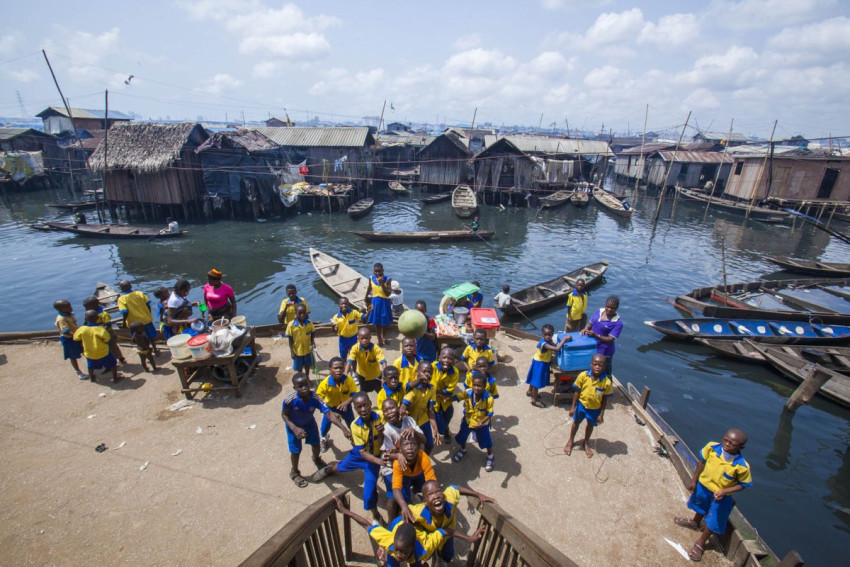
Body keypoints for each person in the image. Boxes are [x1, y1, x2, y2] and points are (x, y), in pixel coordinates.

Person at [674, 429, 753, 562]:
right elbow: (701, 462)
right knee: (700, 505)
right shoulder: (711, 447)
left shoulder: (742, 466)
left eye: (732, 444)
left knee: (714, 518)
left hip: (721, 496)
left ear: (741, 447)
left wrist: (725, 491)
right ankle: (695, 522)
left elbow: (743, 485)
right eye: (725, 440)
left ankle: (701, 542)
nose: (727, 444)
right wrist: (694, 480)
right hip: (704, 487)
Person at [312, 392, 385, 523]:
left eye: (366, 405)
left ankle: (375, 514)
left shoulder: (381, 416)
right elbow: (362, 453)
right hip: (360, 455)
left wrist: (382, 432)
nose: (363, 409)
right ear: (355, 409)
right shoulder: (355, 425)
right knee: (341, 467)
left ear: (370, 404)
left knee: (368, 492)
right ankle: (329, 470)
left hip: (373, 459)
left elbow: (385, 439)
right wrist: (381, 462)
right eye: (359, 407)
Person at [333, 495, 451, 567]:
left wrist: (468, 537)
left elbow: (444, 531)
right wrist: (345, 511)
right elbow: (366, 524)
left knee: (416, 562)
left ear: (413, 547)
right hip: (397, 524)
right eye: (397, 550)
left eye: (403, 552)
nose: (398, 555)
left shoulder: (425, 547)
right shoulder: (389, 542)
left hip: (415, 536)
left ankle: (415, 500)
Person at [281, 373, 349, 488]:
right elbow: (284, 415)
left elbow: (328, 414)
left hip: (309, 424)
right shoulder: (290, 400)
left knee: (316, 445)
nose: (304, 388)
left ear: (309, 383)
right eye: (300, 386)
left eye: (306, 384)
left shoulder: (315, 398)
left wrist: (344, 429)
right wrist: (294, 428)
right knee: (296, 451)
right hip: (294, 427)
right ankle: (295, 472)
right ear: (295, 388)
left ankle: (316, 458)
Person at [409, 481, 491, 564]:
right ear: (425, 501)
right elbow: (405, 512)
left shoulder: (449, 500)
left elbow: (455, 488)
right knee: (428, 551)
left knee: (448, 557)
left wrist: (477, 494)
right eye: (430, 494)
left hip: (448, 535)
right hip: (430, 536)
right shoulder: (419, 512)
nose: (436, 496)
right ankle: (434, 554)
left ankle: (439, 555)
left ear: (443, 495)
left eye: (438, 491)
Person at [380, 398, 425, 521]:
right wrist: (399, 455)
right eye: (386, 410)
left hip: (408, 461)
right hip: (390, 464)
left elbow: (424, 440)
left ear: (398, 407)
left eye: (392, 408)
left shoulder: (409, 421)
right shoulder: (387, 430)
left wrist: (414, 432)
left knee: (421, 483)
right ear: (383, 414)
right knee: (393, 497)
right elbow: (388, 454)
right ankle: (391, 523)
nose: (389, 412)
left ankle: (411, 494)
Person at [564, 354, 613, 458]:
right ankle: (570, 440)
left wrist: (601, 414)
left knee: (590, 425)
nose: (597, 367)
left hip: (594, 409)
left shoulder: (606, 382)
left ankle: (586, 443)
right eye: (595, 364)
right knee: (576, 422)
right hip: (581, 405)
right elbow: (577, 392)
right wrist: (573, 407)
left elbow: (605, 399)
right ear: (591, 364)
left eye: (600, 365)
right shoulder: (583, 375)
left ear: (604, 367)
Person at [452, 372, 496, 472]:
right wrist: (448, 399)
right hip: (467, 421)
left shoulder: (489, 399)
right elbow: (458, 396)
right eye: (474, 385)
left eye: (479, 386)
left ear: (484, 386)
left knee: (486, 441)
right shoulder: (468, 392)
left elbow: (489, 413)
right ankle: (463, 450)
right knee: (462, 436)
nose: (476, 388)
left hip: (481, 425)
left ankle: (490, 456)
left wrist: (481, 422)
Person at [316, 356, 359, 453]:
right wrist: (330, 412)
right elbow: (318, 400)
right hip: (331, 408)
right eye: (335, 368)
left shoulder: (348, 380)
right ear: (330, 370)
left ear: (344, 368)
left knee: (352, 424)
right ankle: (324, 438)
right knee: (325, 426)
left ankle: (355, 439)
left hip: (346, 407)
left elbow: (355, 394)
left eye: (341, 368)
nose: (339, 370)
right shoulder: (325, 383)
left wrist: (346, 402)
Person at [393, 436, 437, 524]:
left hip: (418, 475)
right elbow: (396, 488)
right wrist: (404, 506)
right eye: (405, 445)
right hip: (404, 477)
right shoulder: (397, 463)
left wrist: (432, 498)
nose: (409, 448)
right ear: (400, 449)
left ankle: (414, 492)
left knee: (424, 488)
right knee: (404, 498)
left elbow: (431, 482)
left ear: (418, 447)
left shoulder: (424, 458)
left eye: (413, 444)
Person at [525, 323, 569, 408]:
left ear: (552, 334)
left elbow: (554, 346)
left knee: (534, 378)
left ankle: (530, 391)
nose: (548, 336)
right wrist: (564, 339)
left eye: (549, 335)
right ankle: (535, 400)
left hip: (542, 362)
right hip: (539, 363)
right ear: (542, 334)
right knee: (536, 382)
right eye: (546, 335)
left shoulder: (549, 341)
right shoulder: (544, 344)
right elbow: (556, 349)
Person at [401, 361, 440, 454]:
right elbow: (404, 405)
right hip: (411, 423)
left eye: (430, 372)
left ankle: (424, 460)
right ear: (417, 372)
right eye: (424, 371)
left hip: (424, 420)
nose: (427, 374)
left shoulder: (432, 389)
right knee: (415, 447)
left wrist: (435, 429)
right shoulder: (412, 388)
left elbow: (430, 411)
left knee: (430, 445)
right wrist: (402, 411)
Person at [74, 309, 120, 383]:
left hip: (89, 353)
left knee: (91, 366)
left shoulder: (81, 329)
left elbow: (76, 338)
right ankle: (115, 378)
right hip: (103, 352)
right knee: (113, 364)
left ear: (85, 319)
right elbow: (107, 339)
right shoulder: (100, 329)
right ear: (97, 319)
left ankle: (92, 378)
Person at [581, 295, 623, 375]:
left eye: (612, 308)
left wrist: (596, 335)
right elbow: (591, 323)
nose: (609, 309)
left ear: (617, 308)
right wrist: (585, 329)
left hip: (605, 351)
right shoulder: (599, 312)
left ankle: (607, 384)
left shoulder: (618, 323)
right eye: (608, 306)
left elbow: (610, 339)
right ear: (605, 305)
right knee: (592, 369)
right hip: (593, 347)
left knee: (605, 372)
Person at [117, 281, 159, 355]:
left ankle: (145, 351)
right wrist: (148, 314)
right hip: (146, 320)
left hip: (134, 324)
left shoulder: (121, 299)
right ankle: (155, 350)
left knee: (139, 338)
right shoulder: (140, 293)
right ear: (131, 286)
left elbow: (125, 312)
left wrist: (124, 323)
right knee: (151, 336)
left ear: (121, 289)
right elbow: (148, 304)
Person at [83, 296, 126, 366]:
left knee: (112, 346)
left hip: (107, 333)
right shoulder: (89, 313)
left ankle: (119, 358)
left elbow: (108, 325)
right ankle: (112, 359)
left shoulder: (103, 314)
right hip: (97, 334)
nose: (86, 309)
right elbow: (86, 323)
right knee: (105, 347)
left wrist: (101, 330)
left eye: (87, 307)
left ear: (93, 306)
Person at [432, 347, 460, 444]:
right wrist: (439, 393)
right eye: (444, 357)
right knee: (441, 429)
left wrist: (437, 392)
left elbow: (450, 389)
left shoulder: (455, 372)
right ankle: (444, 431)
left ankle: (446, 429)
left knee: (448, 416)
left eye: (450, 358)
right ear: (439, 357)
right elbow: (430, 387)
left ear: (453, 360)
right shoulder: (432, 367)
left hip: (446, 402)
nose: (446, 361)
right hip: (435, 403)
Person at [345, 327, 387, 393]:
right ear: (358, 338)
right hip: (362, 376)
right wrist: (345, 374)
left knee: (381, 393)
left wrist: (384, 376)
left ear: (370, 337)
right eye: (362, 338)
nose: (364, 340)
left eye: (366, 338)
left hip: (375, 376)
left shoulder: (376, 349)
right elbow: (350, 361)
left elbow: (383, 362)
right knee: (363, 393)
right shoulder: (355, 348)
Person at [54, 299, 86, 379]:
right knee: (73, 356)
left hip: (76, 336)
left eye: (70, 306)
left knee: (84, 349)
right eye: (67, 307)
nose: (70, 308)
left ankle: (93, 363)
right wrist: (78, 335)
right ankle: (78, 372)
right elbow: (66, 332)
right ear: (60, 309)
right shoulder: (61, 319)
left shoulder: (70, 314)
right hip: (69, 339)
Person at [285, 304, 316, 383]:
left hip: (307, 350)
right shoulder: (291, 325)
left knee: (307, 365)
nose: (302, 315)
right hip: (297, 351)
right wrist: (292, 352)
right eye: (300, 313)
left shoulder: (309, 323)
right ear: (295, 313)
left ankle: (307, 378)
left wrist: (312, 342)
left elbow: (313, 333)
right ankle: (301, 379)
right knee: (299, 367)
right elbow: (290, 340)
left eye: (304, 312)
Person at [365, 262, 393, 346]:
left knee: (384, 321)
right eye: (375, 271)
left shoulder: (387, 279)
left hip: (384, 303)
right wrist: (366, 296)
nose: (377, 273)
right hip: (375, 303)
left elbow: (388, 293)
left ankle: (384, 336)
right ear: (373, 271)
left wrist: (381, 284)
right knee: (377, 322)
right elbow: (369, 287)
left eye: (379, 271)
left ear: (383, 270)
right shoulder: (371, 278)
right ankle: (379, 339)